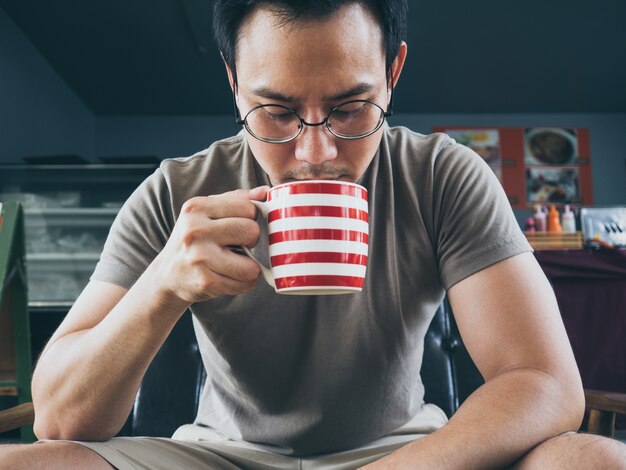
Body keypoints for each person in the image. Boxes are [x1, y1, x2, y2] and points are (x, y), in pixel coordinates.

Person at [1, 1, 625, 468]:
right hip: (220, 457)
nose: (316, 152)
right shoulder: (175, 192)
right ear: (233, 82)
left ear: (394, 71)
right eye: (276, 113)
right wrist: (162, 286)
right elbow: (60, 417)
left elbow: (545, 383)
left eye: (352, 108)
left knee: (596, 460)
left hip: (401, 454)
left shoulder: (442, 175)